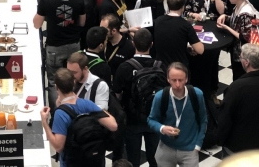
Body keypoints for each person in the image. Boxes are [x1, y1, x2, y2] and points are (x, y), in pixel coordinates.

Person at [41, 67, 118, 167]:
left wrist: (44, 122)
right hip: (93, 160)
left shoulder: (60, 113)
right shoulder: (87, 104)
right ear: (73, 83)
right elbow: (113, 126)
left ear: (56, 87)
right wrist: (97, 109)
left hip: (72, 162)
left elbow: (58, 147)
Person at [34, 0, 86, 107]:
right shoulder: (79, 0)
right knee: (74, 78)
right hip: (74, 45)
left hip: (54, 47)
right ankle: (74, 108)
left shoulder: (47, 0)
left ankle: (56, 111)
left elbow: (36, 24)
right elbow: (82, 22)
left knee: (53, 81)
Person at [113, 27, 159, 167]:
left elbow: (117, 93)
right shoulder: (160, 66)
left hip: (132, 118)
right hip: (154, 118)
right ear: (152, 44)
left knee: (132, 159)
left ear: (133, 43)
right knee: (155, 159)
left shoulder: (124, 67)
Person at [147, 62, 208, 167]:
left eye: (180, 80)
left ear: (186, 79)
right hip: (166, 147)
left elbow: (203, 120)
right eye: (174, 80)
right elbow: (151, 120)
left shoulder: (197, 94)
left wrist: (198, 144)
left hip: (190, 148)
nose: (177, 84)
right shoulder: (160, 96)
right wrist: (162, 128)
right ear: (168, 79)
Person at [216, 0, 259, 80]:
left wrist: (226, 27)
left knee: (239, 76)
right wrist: (225, 16)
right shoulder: (238, 6)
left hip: (243, 53)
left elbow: (245, 37)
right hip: (236, 49)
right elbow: (237, 21)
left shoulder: (246, 13)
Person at [153, 0, 204, 70]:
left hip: (160, 68)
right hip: (179, 69)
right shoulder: (185, 25)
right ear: (183, 7)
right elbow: (200, 50)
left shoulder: (158, 21)